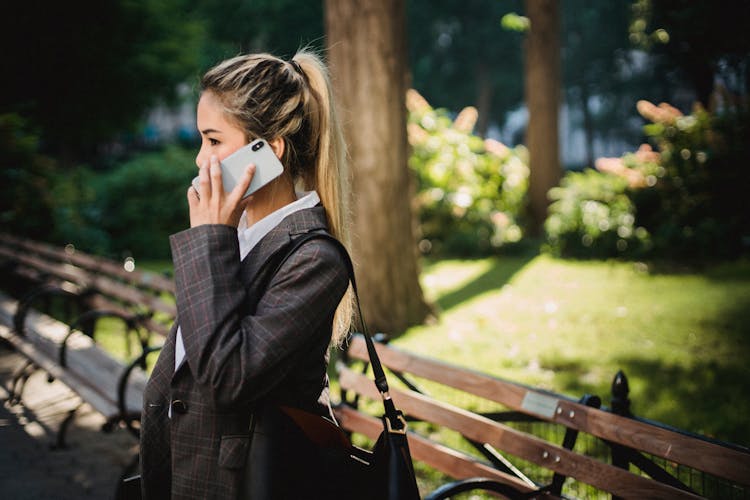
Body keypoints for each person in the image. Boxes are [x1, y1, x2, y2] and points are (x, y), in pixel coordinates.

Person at [139, 50, 352, 499]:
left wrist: (210, 238)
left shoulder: (314, 257)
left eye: (214, 141)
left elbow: (228, 378)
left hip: (245, 484)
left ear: (269, 150)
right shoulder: (238, 235)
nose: (201, 160)